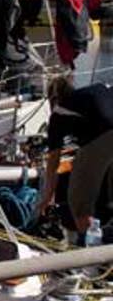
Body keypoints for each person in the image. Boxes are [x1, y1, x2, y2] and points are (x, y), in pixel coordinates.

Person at [39, 76, 113, 232]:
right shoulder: (98, 88)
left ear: (53, 98)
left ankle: (89, 246)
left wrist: (47, 197)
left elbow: (54, 162)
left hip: (102, 138)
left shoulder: (60, 112)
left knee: (79, 201)